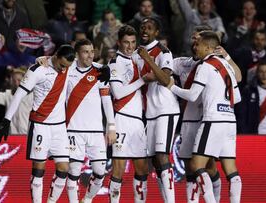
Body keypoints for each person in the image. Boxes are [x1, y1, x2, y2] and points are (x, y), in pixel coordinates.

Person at [164, 31, 242, 203]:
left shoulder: (205, 66)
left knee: (195, 165)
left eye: (198, 44)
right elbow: (237, 98)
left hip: (213, 120)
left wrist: (172, 87)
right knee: (231, 170)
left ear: (208, 47)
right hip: (230, 121)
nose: (195, 47)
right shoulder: (227, 65)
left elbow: (192, 96)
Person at [0, 45, 75, 203]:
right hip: (40, 125)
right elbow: (18, 95)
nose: (64, 70)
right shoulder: (37, 70)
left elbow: (87, 63)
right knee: (39, 170)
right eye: (62, 65)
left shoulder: (68, 67)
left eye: (68, 67)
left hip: (59, 127)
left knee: (64, 170)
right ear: (56, 56)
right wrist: (6, 121)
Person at [64, 39, 116, 203]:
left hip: (95, 131)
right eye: (86, 52)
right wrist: (40, 59)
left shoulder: (100, 71)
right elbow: (51, 63)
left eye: (92, 52)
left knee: (100, 172)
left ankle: (87, 199)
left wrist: (111, 126)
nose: (90, 55)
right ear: (77, 54)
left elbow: (107, 101)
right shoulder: (67, 70)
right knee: (73, 171)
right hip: (73, 129)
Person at [134, 17, 180, 203]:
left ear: (156, 32)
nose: (145, 30)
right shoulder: (136, 52)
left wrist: (149, 60)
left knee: (162, 156)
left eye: (149, 28)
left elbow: (165, 78)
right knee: (153, 161)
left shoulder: (163, 51)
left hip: (165, 109)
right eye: (142, 27)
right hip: (149, 112)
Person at [107, 25, 148, 203]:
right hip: (122, 118)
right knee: (118, 169)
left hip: (138, 122)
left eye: (133, 42)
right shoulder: (115, 62)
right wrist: (142, 80)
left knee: (142, 169)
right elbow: (118, 93)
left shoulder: (138, 59)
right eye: (126, 42)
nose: (130, 47)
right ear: (118, 42)